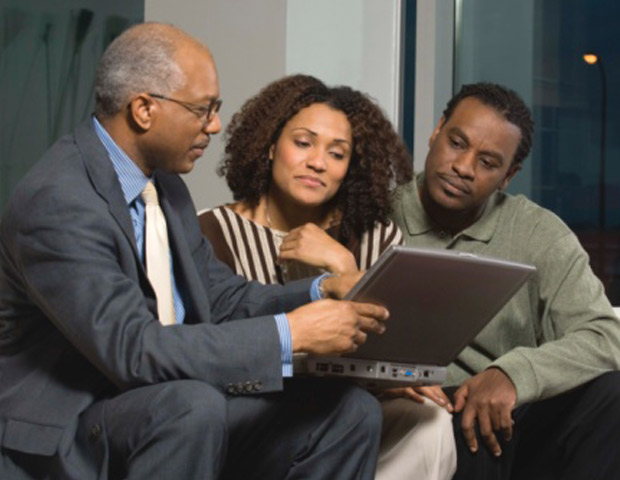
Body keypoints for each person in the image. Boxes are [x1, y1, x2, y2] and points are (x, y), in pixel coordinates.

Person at [0, 23, 393, 480]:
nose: (215, 125)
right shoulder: (59, 200)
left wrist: (322, 290)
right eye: (203, 109)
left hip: (166, 408)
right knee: (193, 405)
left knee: (349, 412)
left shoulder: (165, 187)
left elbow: (222, 298)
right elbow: (133, 351)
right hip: (72, 428)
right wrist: (291, 334)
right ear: (144, 109)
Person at [198, 74, 457, 480]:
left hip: (356, 411)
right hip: (262, 416)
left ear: (349, 168)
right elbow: (212, 351)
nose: (317, 162)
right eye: (303, 143)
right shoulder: (210, 233)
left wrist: (342, 263)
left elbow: (399, 346)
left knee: (430, 421)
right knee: (352, 411)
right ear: (270, 146)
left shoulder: (375, 237)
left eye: (337, 154)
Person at [391, 82, 620, 479]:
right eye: (457, 143)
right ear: (437, 130)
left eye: (488, 162)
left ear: (508, 176)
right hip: (421, 410)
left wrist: (512, 374)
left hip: (512, 412)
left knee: (612, 393)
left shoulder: (539, 232)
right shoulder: (375, 215)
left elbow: (604, 336)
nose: (464, 167)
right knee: (448, 426)